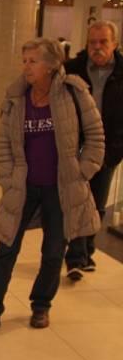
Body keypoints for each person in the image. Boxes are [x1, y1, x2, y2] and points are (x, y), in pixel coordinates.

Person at [0, 38, 104, 331]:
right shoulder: (16, 97)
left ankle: (41, 305)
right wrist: (8, 178)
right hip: (23, 187)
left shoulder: (74, 93)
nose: (26, 67)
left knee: (52, 252)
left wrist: (81, 172)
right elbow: (3, 145)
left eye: (33, 61)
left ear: (51, 65)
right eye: (24, 60)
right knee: (6, 248)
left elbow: (95, 136)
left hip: (60, 189)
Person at [64, 21, 123, 280]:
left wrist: (116, 150)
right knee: (78, 202)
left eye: (103, 43)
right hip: (76, 149)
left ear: (115, 45)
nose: (97, 48)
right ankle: (75, 257)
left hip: (108, 150)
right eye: (92, 43)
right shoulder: (71, 70)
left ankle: (87, 249)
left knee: (97, 205)